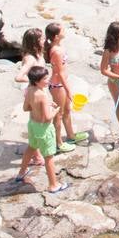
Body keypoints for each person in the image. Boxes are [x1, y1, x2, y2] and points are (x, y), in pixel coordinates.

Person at [15, 65, 69, 192]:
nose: (48, 80)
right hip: (44, 128)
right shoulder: (43, 95)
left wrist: (43, 106)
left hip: (33, 125)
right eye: (45, 78)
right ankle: (53, 185)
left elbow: (26, 108)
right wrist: (55, 110)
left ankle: (21, 173)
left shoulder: (30, 90)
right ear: (37, 80)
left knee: (32, 147)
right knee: (49, 156)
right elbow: (47, 117)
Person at [45, 22, 86, 153]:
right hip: (58, 86)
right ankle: (58, 143)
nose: (65, 31)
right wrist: (68, 91)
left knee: (67, 110)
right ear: (56, 36)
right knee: (58, 114)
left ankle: (71, 136)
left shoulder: (58, 46)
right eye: (62, 30)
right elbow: (60, 73)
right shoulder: (56, 51)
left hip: (62, 84)